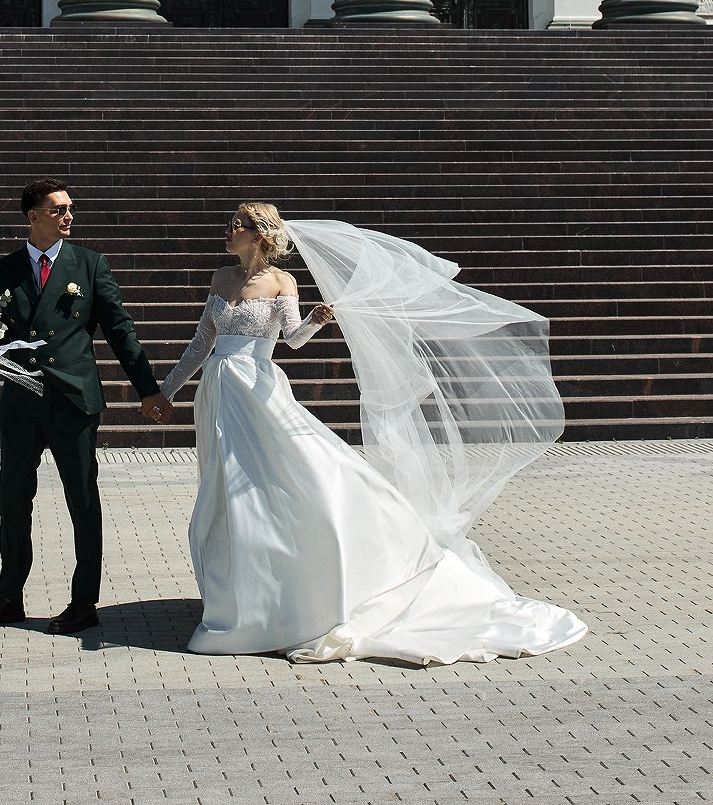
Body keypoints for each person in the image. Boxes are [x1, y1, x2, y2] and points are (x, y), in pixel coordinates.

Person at [160, 202, 587, 664]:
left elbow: (292, 340)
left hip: (259, 392)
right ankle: (247, 598)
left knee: (286, 480)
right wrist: (165, 391)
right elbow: (201, 343)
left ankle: (311, 586)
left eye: (236, 226)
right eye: (229, 225)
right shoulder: (221, 279)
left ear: (259, 234)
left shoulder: (283, 282)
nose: (227, 231)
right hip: (220, 393)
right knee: (228, 492)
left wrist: (316, 322)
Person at [0, 180, 171, 635]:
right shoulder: (4, 270)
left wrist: (148, 389)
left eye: (69, 209)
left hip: (73, 400)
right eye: (57, 210)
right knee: (12, 498)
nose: (67, 216)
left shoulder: (89, 264)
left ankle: (83, 602)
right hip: (21, 399)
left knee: (82, 500)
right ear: (32, 216)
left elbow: (120, 330)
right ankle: (9, 598)